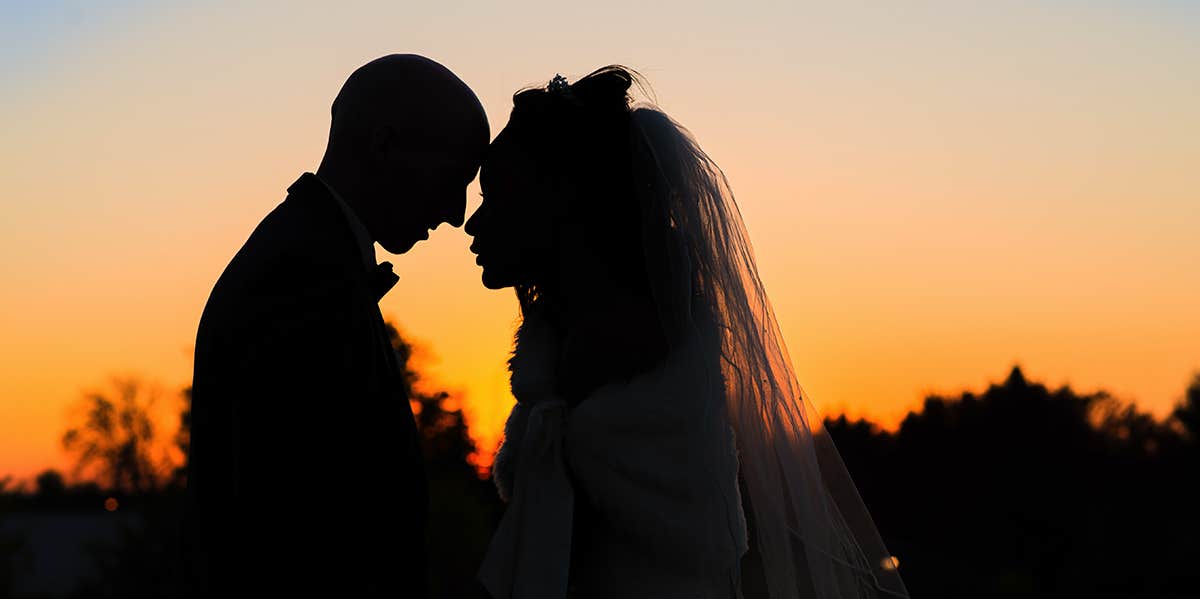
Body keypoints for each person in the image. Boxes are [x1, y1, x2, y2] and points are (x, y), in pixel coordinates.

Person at [468, 67, 909, 598]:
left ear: (560, 199)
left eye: (498, 196)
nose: (473, 223)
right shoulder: (576, 367)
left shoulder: (616, 397)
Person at [184, 54, 488, 597]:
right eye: (453, 177)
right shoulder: (300, 279)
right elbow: (300, 530)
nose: (456, 212)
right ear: (385, 143)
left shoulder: (308, 256)